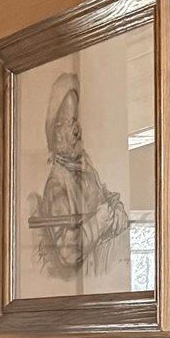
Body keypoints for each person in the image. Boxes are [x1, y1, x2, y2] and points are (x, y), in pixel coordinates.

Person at [27, 69, 128, 282]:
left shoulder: (85, 165)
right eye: (67, 122)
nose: (76, 129)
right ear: (55, 131)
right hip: (88, 279)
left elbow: (106, 193)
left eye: (75, 119)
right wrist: (98, 223)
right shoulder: (56, 183)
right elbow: (67, 251)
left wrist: (118, 210)